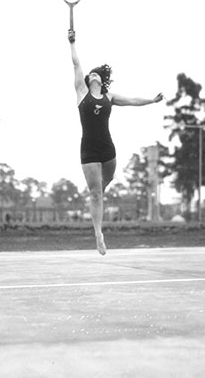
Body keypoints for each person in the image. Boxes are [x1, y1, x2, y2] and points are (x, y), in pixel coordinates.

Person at [68, 29, 163, 255]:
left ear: (102, 80)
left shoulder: (110, 97)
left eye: (95, 74)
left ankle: (98, 196)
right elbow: (76, 65)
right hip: (88, 150)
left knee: (105, 182)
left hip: (108, 149)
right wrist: (72, 43)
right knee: (96, 193)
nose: (91, 75)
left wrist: (151, 100)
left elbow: (131, 100)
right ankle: (98, 234)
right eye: (90, 74)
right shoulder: (82, 92)